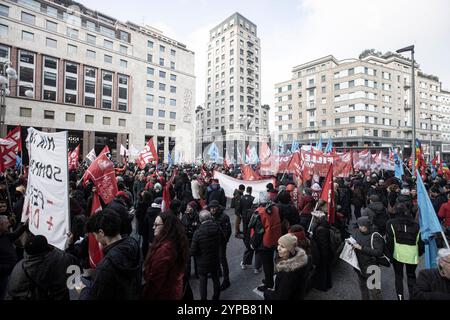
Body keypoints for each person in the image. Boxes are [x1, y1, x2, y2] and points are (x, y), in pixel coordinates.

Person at [86, 209, 140, 300]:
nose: (95, 239)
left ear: (101, 232)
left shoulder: (106, 265)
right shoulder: (134, 245)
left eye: (94, 235)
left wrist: (84, 290)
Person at [5, 235, 78, 300]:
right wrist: (70, 245)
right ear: (46, 247)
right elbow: (74, 262)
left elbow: (12, 292)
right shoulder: (60, 259)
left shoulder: (20, 268)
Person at [142, 212, 189, 300]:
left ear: (167, 227)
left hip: (163, 294)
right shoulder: (176, 242)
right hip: (174, 291)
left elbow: (155, 281)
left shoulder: (165, 250)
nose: (153, 228)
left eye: (156, 225)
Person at [386, 203, 424, 300]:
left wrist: (389, 255)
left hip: (397, 255)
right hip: (412, 254)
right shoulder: (416, 225)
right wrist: (419, 253)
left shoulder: (391, 223)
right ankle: (413, 296)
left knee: (398, 276)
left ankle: (400, 297)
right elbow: (420, 242)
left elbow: (390, 241)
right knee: (411, 276)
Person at [249, 192, 282, 292]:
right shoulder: (275, 208)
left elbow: (258, 232)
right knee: (269, 263)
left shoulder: (260, 212)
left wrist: (253, 244)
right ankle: (269, 280)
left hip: (264, 242)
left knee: (266, 264)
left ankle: (269, 284)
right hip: (274, 239)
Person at [264, 234, 311, 300]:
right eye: (278, 244)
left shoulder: (288, 272)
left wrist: (267, 292)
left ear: (290, 249)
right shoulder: (301, 258)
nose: (278, 248)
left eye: (282, 246)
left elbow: (280, 297)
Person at [190, 210, 222, 300]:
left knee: (203, 282)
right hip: (215, 258)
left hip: (202, 261)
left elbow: (192, 251)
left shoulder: (198, 233)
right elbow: (223, 239)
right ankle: (216, 297)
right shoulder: (217, 227)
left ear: (200, 220)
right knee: (216, 278)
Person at [351, 216, 384, 300]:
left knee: (375, 291)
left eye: (363, 226)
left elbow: (378, 252)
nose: (360, 228)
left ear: (368, 226)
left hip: (372, 266)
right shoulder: (357, 232)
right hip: (359, 265)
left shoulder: (375, 235)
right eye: (359, 226)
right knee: (363, 287)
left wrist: (361, 248)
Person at [0, 215, 27, 299]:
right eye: (7, 223)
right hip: (4, 276)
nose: (9, 225)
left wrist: (25, 226)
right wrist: (9, 267)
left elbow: (14, 235)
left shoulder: (4, 235)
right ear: (0, 225)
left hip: (11, 272)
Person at [208, 200, 232, 291]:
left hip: (221, 242)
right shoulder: (211, 215)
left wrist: (224, 241)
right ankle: (219, 272)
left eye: (214, 207)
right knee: (216, 258)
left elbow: (228, 231)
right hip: (213, 242)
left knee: (223, 260)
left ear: (218, 207)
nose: (212, 209)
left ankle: (226, 280)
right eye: (211, 208)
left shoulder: (224, 217)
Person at [239, 187, 261, 273]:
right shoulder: (260, 212)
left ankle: (245, 263)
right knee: (258, 250)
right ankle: (257, 267)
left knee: (249, 248)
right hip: (257, 233)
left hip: (248, 233)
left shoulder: (248, 213)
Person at [311, 210, 332, 292]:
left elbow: (323, 244)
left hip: (322, 253)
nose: (313, 219)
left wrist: (322, 255)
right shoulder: (323, 225)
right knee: (325, 269)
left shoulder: (321, 229)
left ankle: (322, 286)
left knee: (322, 270)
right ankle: (327, 284)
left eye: (314, 217)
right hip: (324, 252)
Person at [181, 201, 200, 278]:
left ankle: (197, 273)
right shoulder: (184, 217)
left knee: (197, 258)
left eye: (190, 207)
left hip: (195, 240)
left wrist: (193, 228)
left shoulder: (197, 216)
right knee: (187, 259)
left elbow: (198, 227)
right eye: (187, 207)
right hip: (187, 240)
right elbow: (182, 227)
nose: (188, 208)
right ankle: (187, 274)